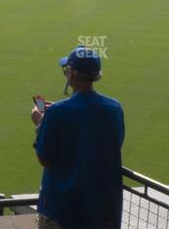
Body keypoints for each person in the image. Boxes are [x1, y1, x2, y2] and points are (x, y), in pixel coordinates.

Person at [30, 46, 124, 229]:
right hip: (101, 210)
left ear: (71, 72)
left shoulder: (57, 113)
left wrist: (40, 123)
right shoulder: (115, 109)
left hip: (62, 210)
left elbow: (45, 159)